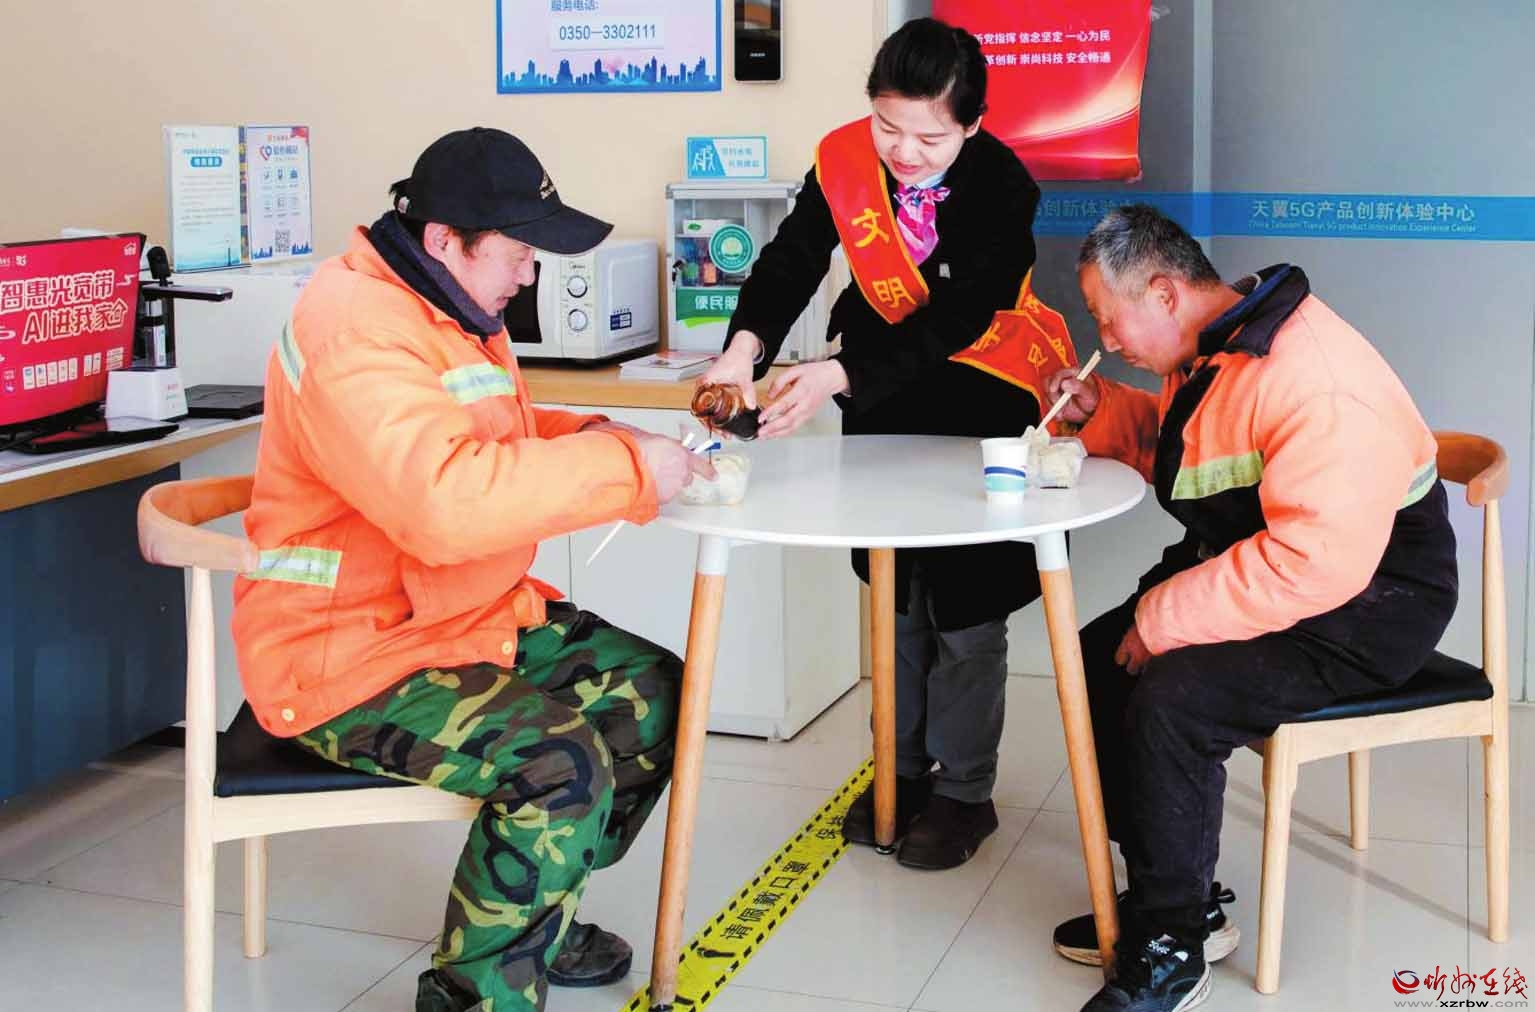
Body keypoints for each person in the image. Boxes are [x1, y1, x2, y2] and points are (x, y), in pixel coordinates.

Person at [231, 127, 714, 1012]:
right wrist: (628, 470)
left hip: (455, 619)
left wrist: (601, 435)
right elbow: (446, 506)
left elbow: (493, 437)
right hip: (349, 655)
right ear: (445, 239)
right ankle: (474, 995)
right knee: (561, 767)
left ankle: (535, 911)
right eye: (518, 251)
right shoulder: (354, 331)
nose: (529, 273)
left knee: (654, 695)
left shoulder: (444, 304)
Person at [1044, 205, 1457, 1012]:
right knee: (1096, 658)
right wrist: (1105, 411)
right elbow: (1203, 448)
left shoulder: (1316, 378)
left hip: (1370, 603)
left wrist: (1162, 619)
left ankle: (1172, 944)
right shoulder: (1218, 345)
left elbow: (1313, 562)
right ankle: (1175, 895)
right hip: (1277, 569)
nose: (1106, 338)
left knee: (1173, 698)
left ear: (1164, 294)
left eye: (1105, 317)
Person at [697, 17, 1075, 871]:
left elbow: (960, 316)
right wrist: (742, 350)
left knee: (967, 609)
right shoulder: (842, 161)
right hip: (879, 399)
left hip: (979, 400)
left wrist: (837, 373)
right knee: (893, 595)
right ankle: (898, 772)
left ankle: (965, 792)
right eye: (887, 127)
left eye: (928, 138)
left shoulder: (1004, 186)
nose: (902, 152)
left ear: (972, 124)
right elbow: (791, 261)